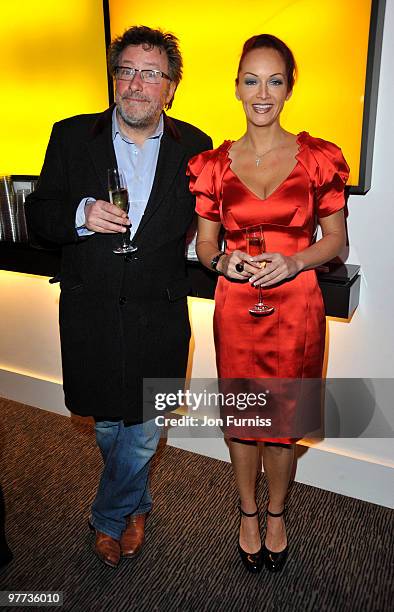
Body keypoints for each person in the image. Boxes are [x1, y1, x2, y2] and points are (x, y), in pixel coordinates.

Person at [25, 25, 212, 568]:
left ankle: (110, 517)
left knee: (144, 429)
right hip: (92, 312)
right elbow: (40, 215)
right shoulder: (70, 135)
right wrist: (80, 215)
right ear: (114, 78)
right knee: (109, 427)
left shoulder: (197, 147)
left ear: (170, 88)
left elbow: (214, 217)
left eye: (151, 74)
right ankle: (136, 504)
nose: (136, 83)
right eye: (127, 70)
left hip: (160, 311)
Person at [187, 34, 349, 573]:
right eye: (251, 80)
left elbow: (335, 242)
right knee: (243, 418)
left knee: (283, 421)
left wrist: (297, 261)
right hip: (236, 304)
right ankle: (248, 511)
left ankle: (276, 512)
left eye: (274, 80)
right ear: (236, 87)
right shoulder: (212, 166)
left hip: (297, 303)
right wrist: (221, 264)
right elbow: (205, 244)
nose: (262, 92)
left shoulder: (318, 159)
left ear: (288, 89)